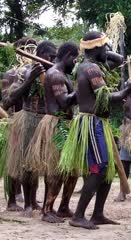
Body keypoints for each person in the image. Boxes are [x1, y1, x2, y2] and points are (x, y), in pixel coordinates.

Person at [59, 31, 131, 229]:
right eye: (104, 47)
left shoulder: (85, 66)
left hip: (97, 122)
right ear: (96, 48)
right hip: (92, 124)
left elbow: (117, 60)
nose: (107, 50)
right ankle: (78, 215)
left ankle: (98, 214)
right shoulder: (92, 68)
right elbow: (105, 97)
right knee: (100, 167)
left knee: (108, 170)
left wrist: (104, 51)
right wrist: (127, 90)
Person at [26, 42, 80, 223]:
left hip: (67, 124)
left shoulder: (62, 74)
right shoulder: (56, 75)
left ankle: (63, 207)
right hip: (58, 126)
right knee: (56, 168)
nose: (76, 63)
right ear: (68, 56)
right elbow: (64, 101)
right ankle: (47, 210)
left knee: (72, 170)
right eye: (75, 59)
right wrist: (84, 90)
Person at [5, 40, 55, 217]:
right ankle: (27, 203)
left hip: (49, 121)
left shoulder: (55, 72)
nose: (52, 59)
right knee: (28, 163)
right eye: (49, 57)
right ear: (39, 56)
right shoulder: (25, 72)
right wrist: (30, 79)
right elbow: (10, 99)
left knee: (48, 164)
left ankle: (42, 203)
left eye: (54, 57)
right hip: (29, 119)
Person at [0, 37, 37, 212]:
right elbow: (6, 101)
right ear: (19, 52)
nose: (31, 53)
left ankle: (32, 200)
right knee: (13, 163)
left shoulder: (37, 72)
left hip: (32, 121)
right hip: (14, 121)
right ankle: (12, 200)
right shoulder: (10, 74)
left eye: (33, 49)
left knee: (31, 161)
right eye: (27, 49)